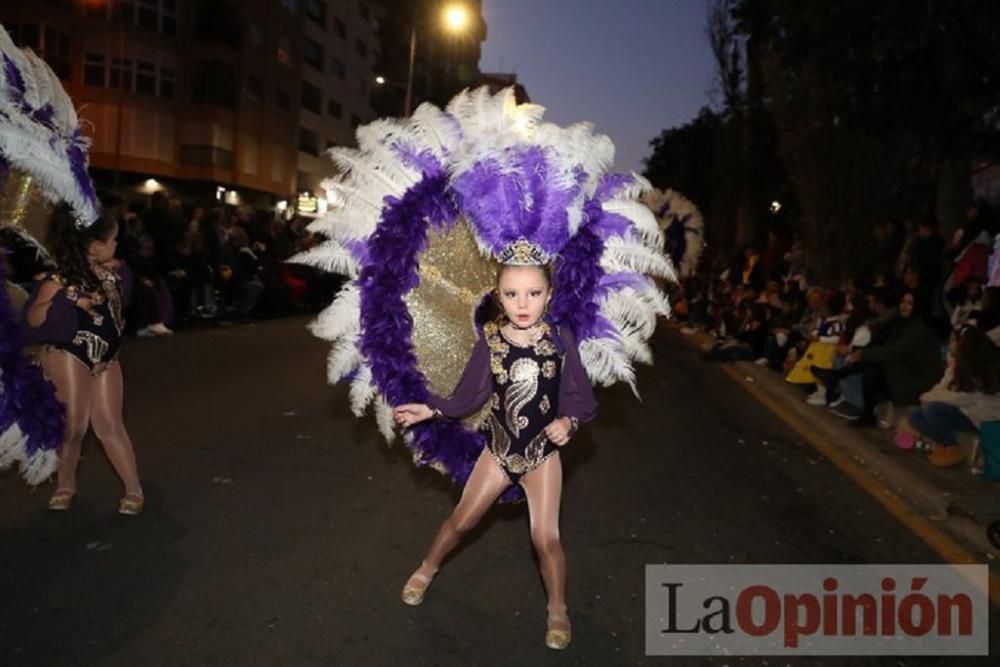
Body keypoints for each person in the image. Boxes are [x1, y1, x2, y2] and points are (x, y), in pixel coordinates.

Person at [392, 257, 597, 651]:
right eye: (511, 294)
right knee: (462, 520)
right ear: (498, 297)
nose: (523, 303)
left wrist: (569, 422)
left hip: (541, 455)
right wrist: (429, 409)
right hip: (499, 450)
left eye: (534, 293)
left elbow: (580, 395)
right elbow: (470, 395)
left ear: (549, 295)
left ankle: (557, 608)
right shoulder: (491, 340)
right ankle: (426, 568)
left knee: (546, 538)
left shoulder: (559, 339)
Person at [22, 205, 144, 515]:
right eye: (113, 239)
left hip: (107, 356)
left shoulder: (113, 273)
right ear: (93, 245)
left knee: (109, 423)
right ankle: (66, 484)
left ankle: (134, 488)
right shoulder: (57, 279)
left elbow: (121, 309)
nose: (117, 245)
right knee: (74, 426)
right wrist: (69, 298)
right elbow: (34, 320)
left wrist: (114, 272)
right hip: (69, 354)